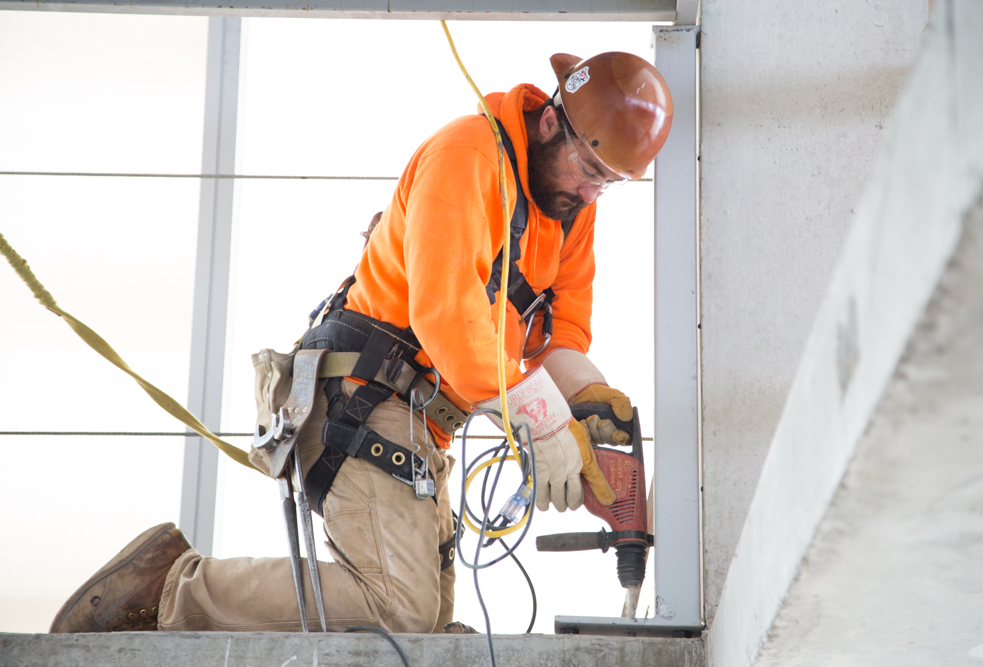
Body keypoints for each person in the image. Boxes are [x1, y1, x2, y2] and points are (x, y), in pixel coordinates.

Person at [49, 51, 672, 635]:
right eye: (590, 170)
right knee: (398, 607)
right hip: (363, 396)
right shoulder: (469, 155)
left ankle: (179, 590)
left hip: (420, 424)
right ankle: (173, 589)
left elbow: (560, 335)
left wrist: (591, 409)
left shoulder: (570, 213)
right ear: (548, 125)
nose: (592, 194)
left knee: (429, 630)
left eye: (609, 183)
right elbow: (445, 317)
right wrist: (540, 421)